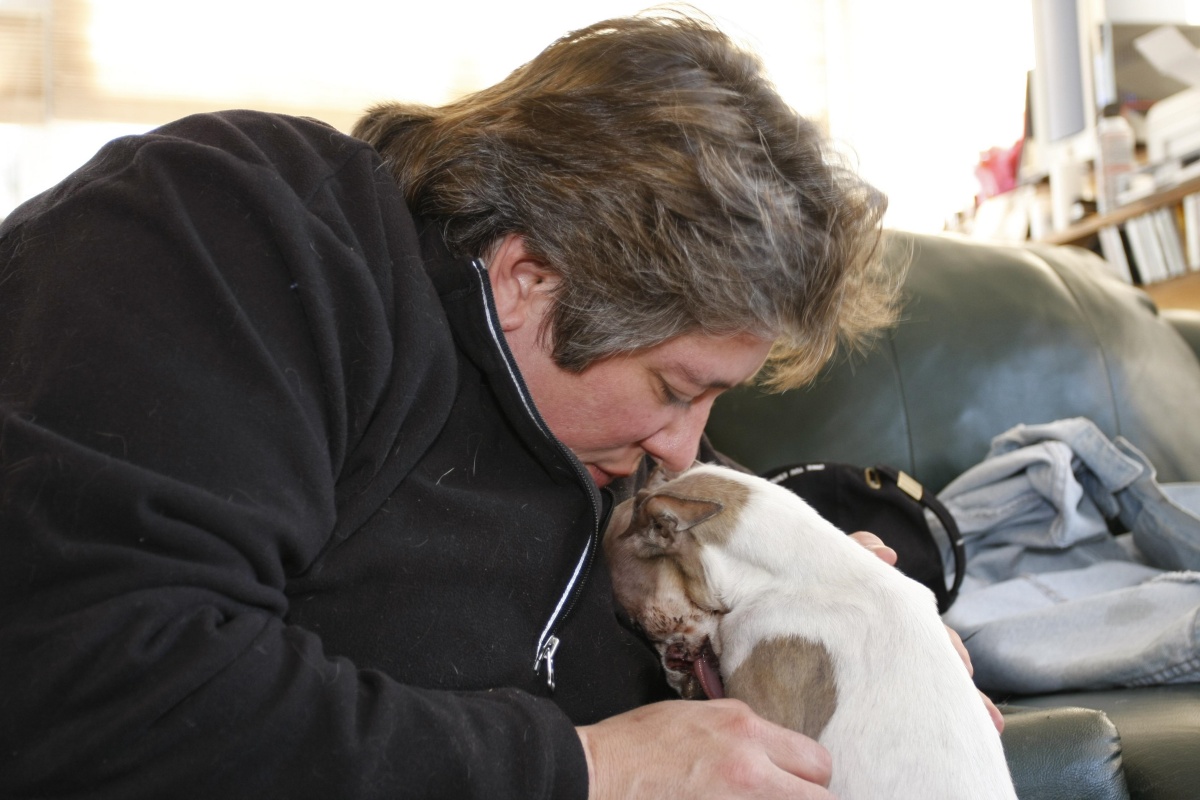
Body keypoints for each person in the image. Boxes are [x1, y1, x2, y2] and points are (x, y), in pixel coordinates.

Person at [0, 12, 983, 799]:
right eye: (675, 390)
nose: (684, 449)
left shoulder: (604, 441)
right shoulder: (239, 228)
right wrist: (589, 768)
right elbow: (99, 683)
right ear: (528, 279)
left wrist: (860, 630)